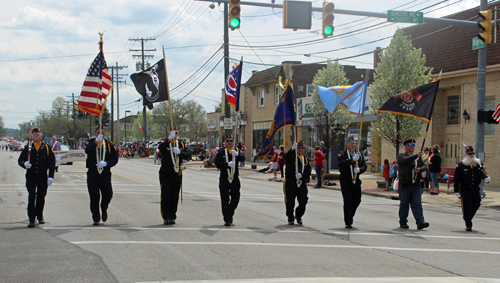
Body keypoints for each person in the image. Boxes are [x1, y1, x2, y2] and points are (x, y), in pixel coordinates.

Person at [18, 127, 55, 228]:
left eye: (38, 134)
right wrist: (24, 164)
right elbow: (20, 160)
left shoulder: (46, 147)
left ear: (41, 135)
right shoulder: (28, 148)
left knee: (41, 197)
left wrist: (51, 176)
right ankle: (31, 219)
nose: (36, 136)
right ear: (31, 136)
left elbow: (52, 163)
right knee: (31, 197)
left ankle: (40, 216)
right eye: (34, 135)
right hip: (31, 176)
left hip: (42, 176)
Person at [84, 125, 119, 226]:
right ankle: (96, 217)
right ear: (95, 132)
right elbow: (87, 150)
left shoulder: (109, 144)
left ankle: (104, 208)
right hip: (93, 173)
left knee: (108, 194)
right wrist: (95, 142)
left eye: (103, 132)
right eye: (99, 131)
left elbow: (115, 157)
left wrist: (107, 163)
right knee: (94, 197)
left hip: (105, 174)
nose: (101, 133)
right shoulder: (90, 142)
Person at [158, 129, 190, 225]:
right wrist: (169, 140)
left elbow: (187, 155)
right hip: (165, 172)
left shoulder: (181, 143)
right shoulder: (164, 142)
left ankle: (172, 216)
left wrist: (180, 153)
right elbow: (161, 149)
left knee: (174, 195)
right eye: (172, 133)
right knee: (166, 194)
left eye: (176, 133)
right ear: (168, 133)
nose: (174, 134)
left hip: (177, 172)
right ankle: (166, 216)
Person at [454, 146, 490, 231]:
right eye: (470, 154)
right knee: (467, 206)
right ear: (466, 154)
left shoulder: (478, 164)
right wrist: (456, 190)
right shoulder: (461, 165)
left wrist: (486, 178)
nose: (472, 155)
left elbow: (483, 173)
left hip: (475, 188)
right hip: (465, 189)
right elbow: (457, 178)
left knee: (477, 203)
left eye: (473, 153)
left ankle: (468, 217)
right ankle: (468, 223)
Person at [397, 138, 429, 230]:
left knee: (417, 204)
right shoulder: (402, 156)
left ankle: (420, 222)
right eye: (410, 145)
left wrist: (420, 169)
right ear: (406, 147)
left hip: (416, 184)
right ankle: (403, 222)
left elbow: (424, 166)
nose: (412, 147)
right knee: (404, 204)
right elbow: (405, 160)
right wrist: (416, 156)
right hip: (405, 184)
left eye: (413, 145)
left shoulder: (418, 158)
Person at [214, 133, 245, 226]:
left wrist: (238, 155)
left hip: (234, 177)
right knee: (225, 199)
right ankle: (227, 219)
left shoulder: (236, 150)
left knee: (236, 197)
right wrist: (227, 165)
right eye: (227, 141)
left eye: (231, 141)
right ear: (224, 142)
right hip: (224, 178)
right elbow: (217, 164)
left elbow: (243, 158)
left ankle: (230, 212)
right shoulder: (221, 152)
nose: (229, 142)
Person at [337, 136, 367, 228]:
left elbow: (364, 166)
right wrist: (352, 160)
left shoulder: (359, 154)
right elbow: (341, 164)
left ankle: (350, 214)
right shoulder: (342, 154)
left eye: (354, 143)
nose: (353, 145)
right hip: (346, 180)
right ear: (347, 144)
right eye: (351, 143)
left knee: (357, 200)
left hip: (356, 180)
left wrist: (359, 170)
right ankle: (348, 221)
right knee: (348, 201)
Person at [283, 140, 311, 225]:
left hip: (301, 183)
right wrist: (292, 150)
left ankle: (299, 216)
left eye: (302, 148)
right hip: (291, 182)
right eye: (298, 148)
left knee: (304, 200)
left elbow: (308, 171)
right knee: (290, 202)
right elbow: (286, 157)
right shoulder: (292, 156)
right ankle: (290, 217)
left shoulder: (305, 159)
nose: (300, 150)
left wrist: (302, 176)